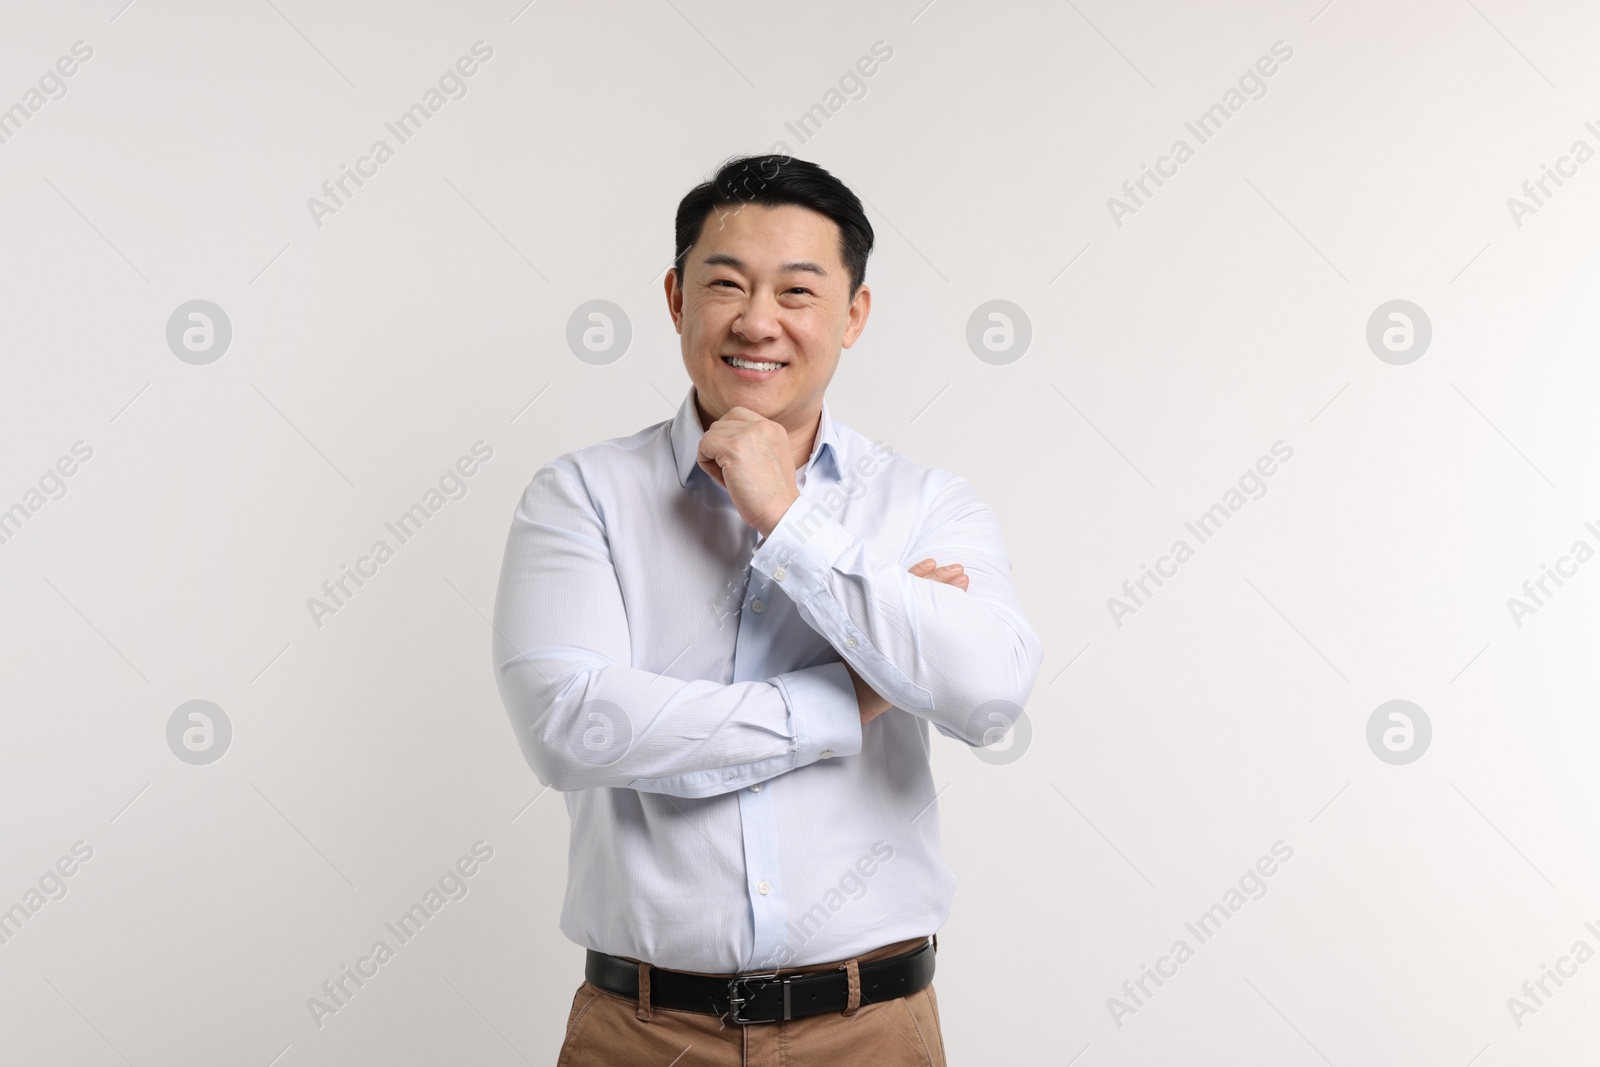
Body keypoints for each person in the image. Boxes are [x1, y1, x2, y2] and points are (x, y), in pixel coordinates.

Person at [491, 154, 1042, 1065]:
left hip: (872, 1029)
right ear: (675, 299)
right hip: (642, 1031)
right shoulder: (581, 495)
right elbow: (572, 727)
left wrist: (790, 520)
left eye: (798, 290)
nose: (758, 322)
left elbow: (986, 694)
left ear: (853, 315)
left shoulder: (926, 505)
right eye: (726, 284)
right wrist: (848, 697)